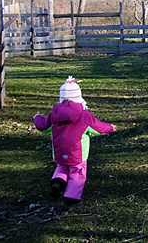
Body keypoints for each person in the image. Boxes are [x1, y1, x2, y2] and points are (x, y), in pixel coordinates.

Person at [33, 76, 116, 205]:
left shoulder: (54, 114)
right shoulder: (84, 115)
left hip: (59, 150)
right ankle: (71, 197)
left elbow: (44, 126)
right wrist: (110, 127)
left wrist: (37, 118)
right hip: (78, 152)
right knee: (78, 172)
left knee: (62, 166)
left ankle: (57, 182)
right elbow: (98, 128)